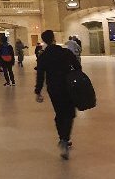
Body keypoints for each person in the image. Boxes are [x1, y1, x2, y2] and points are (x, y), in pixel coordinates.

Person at [34, 30, 81, 160]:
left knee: (59, 114)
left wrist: (38, 91)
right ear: (54, 38)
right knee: (70, 114)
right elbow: (78, 67)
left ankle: (62, 138)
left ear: (44, 41)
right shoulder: (65, 52)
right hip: (67, 86)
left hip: (53, 88)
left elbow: (40, 75)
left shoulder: (43, 56)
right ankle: (65, 139)